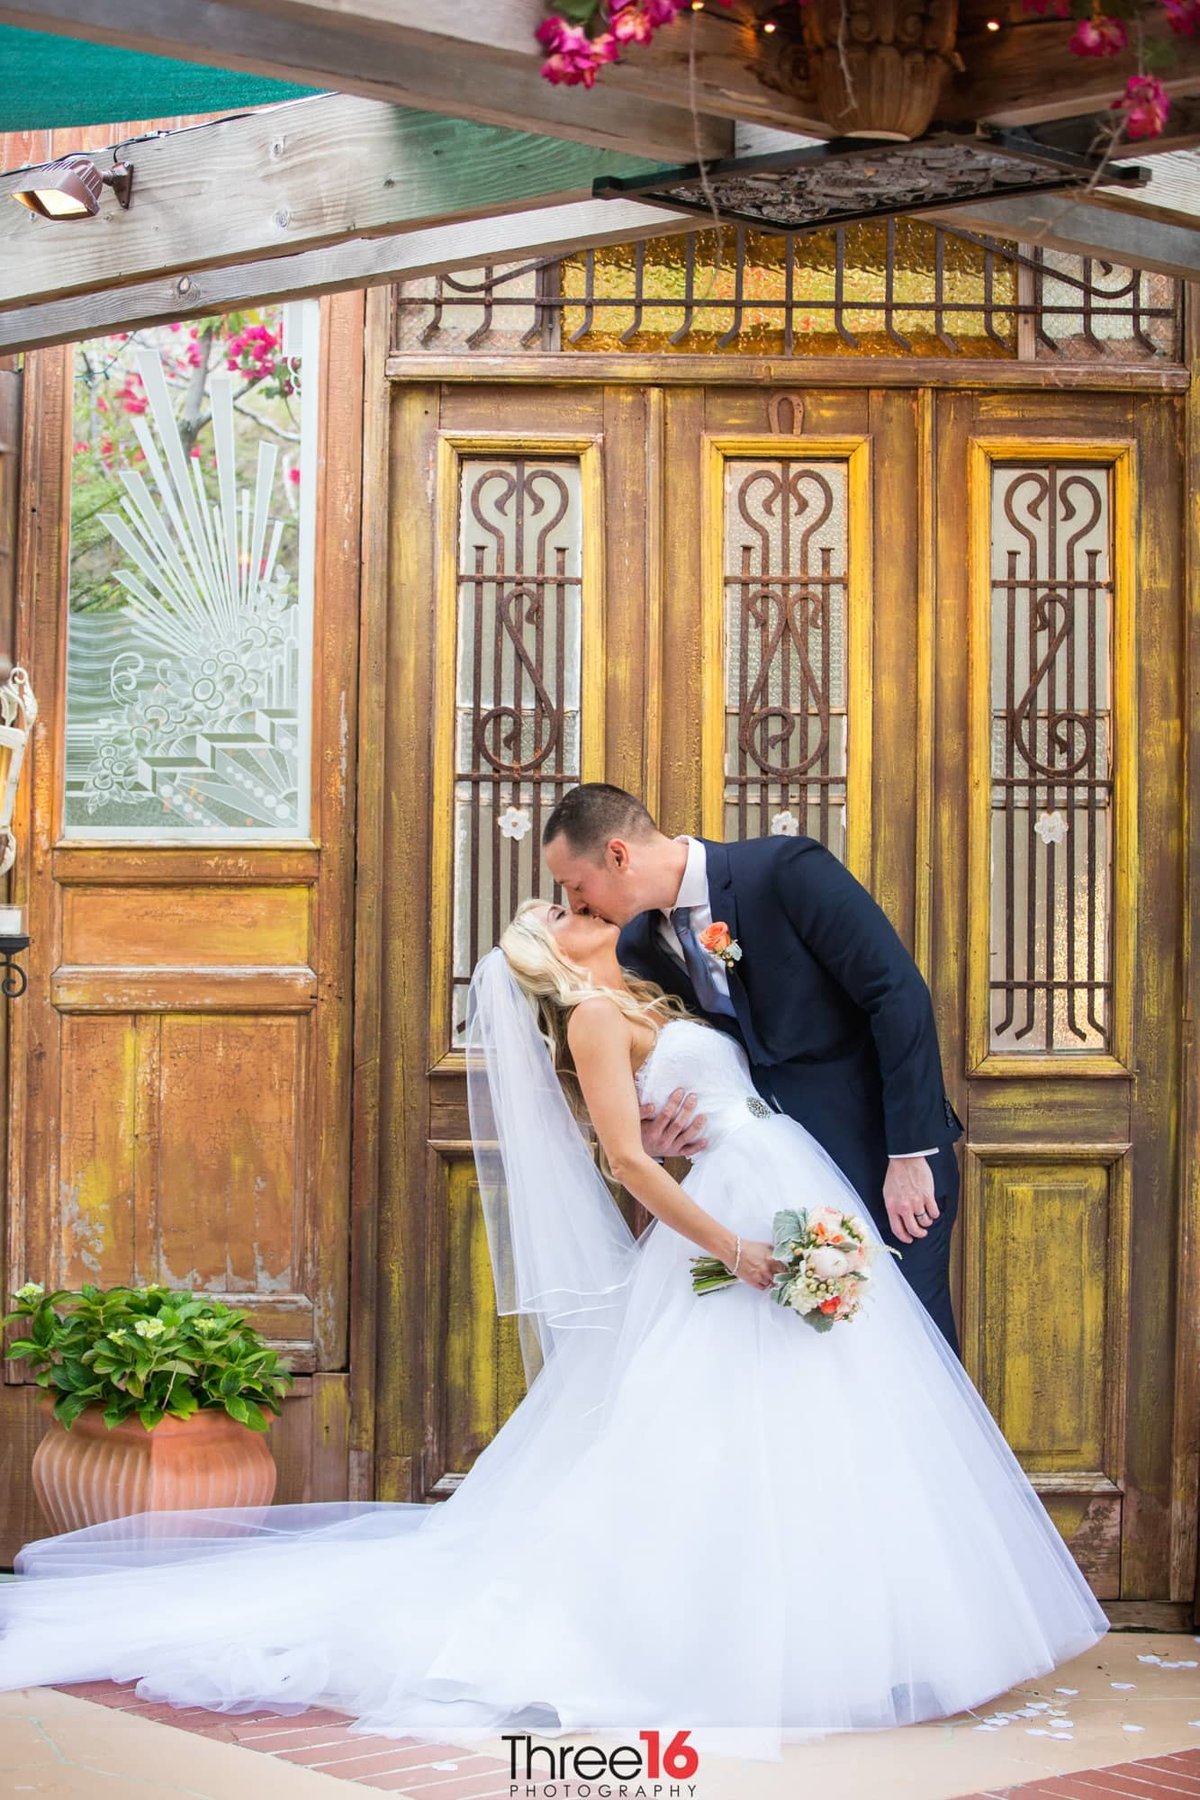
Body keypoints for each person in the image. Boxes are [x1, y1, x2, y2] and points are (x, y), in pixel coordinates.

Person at [0, 900, 1106, 1763]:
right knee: (706, 1437)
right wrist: (734, 1245)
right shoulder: (588, 1016)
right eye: (567, 910)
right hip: (734, 1232)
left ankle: (875, 1637)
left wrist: (719, 1162)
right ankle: (709, 1639)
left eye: (578, 895)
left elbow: (695, 1114)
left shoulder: (661, 994)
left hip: (787, 1188)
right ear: (554, 950)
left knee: (829, 1421)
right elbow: (626, 1160)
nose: (583, 909)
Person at [542, 784, 964, 1351]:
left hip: (883, 1161)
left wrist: (910, 1153)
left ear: (618, 855)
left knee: (914, 1355)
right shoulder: (639, 946)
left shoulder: (785, 871)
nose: (577, 908)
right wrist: (656, 1133)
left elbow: (896, 993)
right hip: (777, 1190)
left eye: (576, 887)